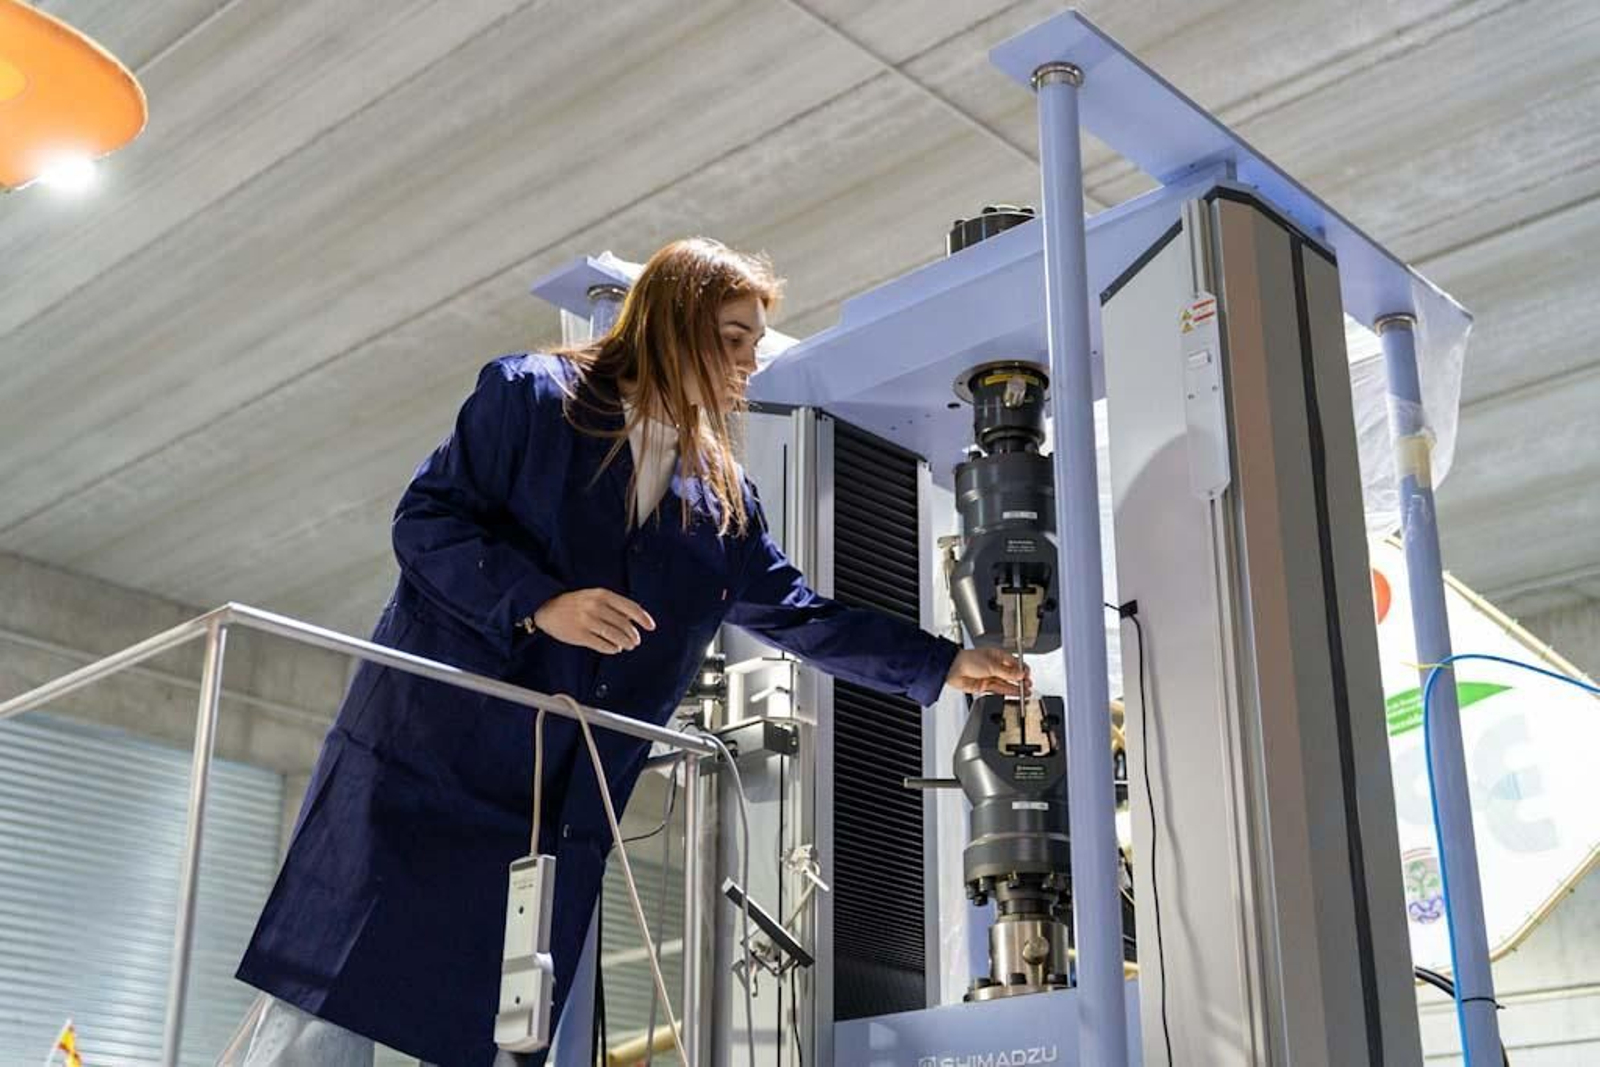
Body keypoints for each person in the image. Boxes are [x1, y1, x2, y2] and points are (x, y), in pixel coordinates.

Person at [231, 238, 1028, 1066]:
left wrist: (941, 664)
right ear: (673, 321)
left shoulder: (720, 496)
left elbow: (798, 612)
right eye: (733, 336)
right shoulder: (531, 399)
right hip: (423, 769)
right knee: (327, 1005)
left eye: (756, 341)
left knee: (496, 1031)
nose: (750, 362)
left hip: (550, 810)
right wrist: (541, 604)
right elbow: (426, 524)